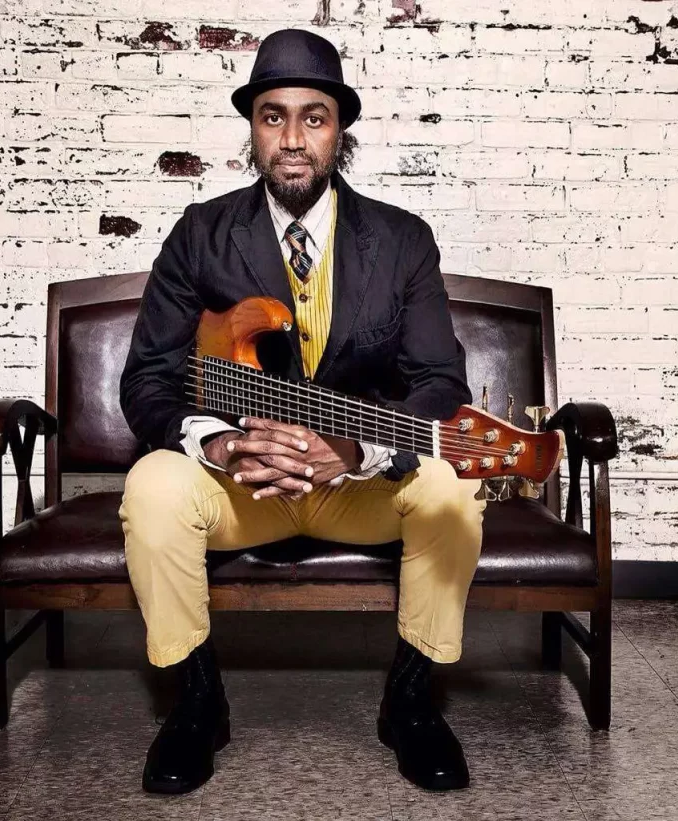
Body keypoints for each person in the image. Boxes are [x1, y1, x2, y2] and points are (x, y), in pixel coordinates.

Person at [118, 28, 486, 796]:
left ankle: (412, 704)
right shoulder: (199, 234)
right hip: (243, 491)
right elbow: (148, 380)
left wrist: (354, 450)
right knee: (152, 486)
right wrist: (220, 447)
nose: (292, 138)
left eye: (312, 117)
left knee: (453, 491)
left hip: (358, 489)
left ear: (339, 130)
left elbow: (440, 383)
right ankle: (195, 702)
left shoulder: (401, 239)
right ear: (252, 128)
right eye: (272, 116)